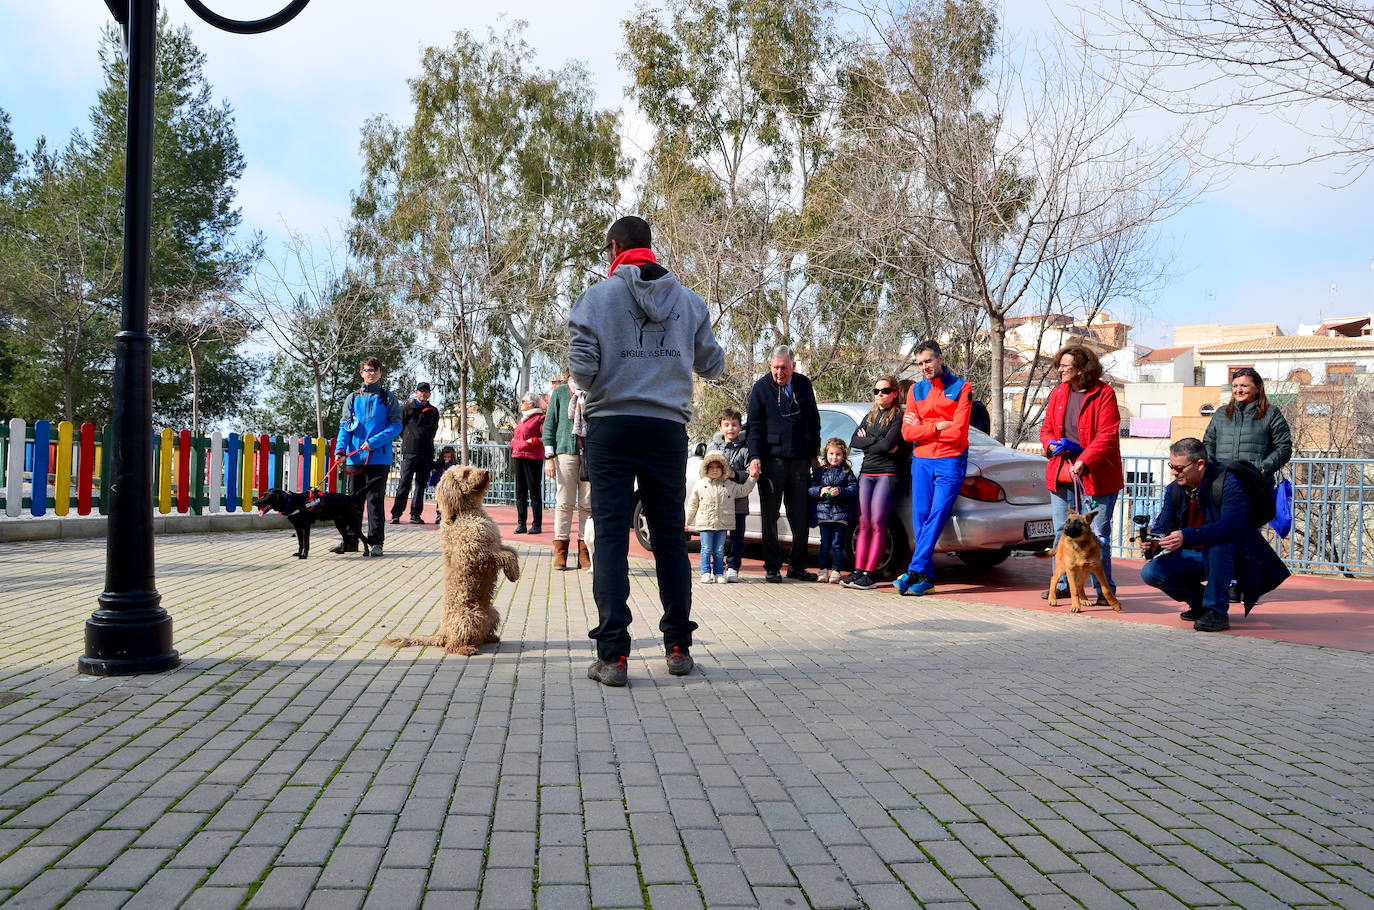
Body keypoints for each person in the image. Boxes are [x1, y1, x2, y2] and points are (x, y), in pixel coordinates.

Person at [570, 215, 725, 686]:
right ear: (650, 247)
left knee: (611, 537)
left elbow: (582, 371)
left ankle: (613, 657)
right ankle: (678, 647)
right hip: (665, 428)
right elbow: (713, 365)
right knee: (669, 538)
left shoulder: (595, 298)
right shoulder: (689, 301)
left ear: (615, 248)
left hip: (612, 427)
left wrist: (616, 369)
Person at [1140, 437, 1289, 631]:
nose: (1174, 472)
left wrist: (1187, 536)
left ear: (1200, 464)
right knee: (1151, 572)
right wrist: (1155, 541)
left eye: (1179, 468)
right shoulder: (1174, 489)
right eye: (1171, 466)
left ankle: (1216, 612)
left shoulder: (1228, 482)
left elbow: (1232, 526)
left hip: (1234, 557)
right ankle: (1200, 603)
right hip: (1195, 555)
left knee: (1218, 545)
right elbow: (1164, 524)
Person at [1038, 344, 1124, 604]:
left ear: (1082, 369)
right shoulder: (1058, 393)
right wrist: (1051, 445)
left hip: (1096, 477)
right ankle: (1063, 584)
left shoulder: (1104, 393)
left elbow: (1107, 434)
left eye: (1066, 366)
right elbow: (1046, 429)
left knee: (1098, 535)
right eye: (1060, 365)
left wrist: (1085, 458)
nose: (1060, 370)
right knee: (1061, 531)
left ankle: (1104, 591)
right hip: (1061, 472)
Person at [894, 340, 971, 596]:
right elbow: (907, 433)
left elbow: (958, 433)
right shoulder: (915, 390)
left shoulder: (962, 388)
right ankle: (925, 577)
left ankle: (914, 569)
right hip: (922, 460)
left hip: (951, 459)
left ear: (940, 358)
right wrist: (938, 426)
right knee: (920, 515)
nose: (924, 367)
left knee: (937, 514)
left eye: (928, 361)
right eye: (919, 363)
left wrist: (923, 428)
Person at [747, 345, 822, 583]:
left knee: (800, 516)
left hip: (799, 460)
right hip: (772, 460)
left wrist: (813, 453)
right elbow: (754, 426)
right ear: (770, 366)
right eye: (775, 368)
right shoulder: (761, 388)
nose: (779, 373)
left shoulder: (803, 384)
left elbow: (813, 420)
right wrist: (754, 456)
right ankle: (772, 567)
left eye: (784, 368)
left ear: (793, 366)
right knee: (770, 515)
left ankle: (797, 566)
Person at [843, 375, 910, 590]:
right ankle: (858, 571)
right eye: (876, 391)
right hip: (866, 473)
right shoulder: (870, 415)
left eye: (885, 391)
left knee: (878, 523)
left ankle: (870, 574)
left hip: (888, 474)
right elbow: (854, 441)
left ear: (895, 393)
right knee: (863, 523)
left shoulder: (899, 416)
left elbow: (888, 444)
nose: (879, 394)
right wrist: (877, 441)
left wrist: (870, 441)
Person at [332, 357, 403, 557]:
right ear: (361, 373)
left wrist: (374, 442)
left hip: (378, 458)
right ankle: (350, 541)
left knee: (375, 502)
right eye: (367, 370)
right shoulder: (352, 398)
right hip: (354, 459)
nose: (371, 373)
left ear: (380, 373)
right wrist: (340, 451)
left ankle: (376, 542)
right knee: (353, 503)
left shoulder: (388, 398)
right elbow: (345, 427)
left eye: (375, 370)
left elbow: (396, 426)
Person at [543, 373, 591, 570]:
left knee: (588, 505)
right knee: (564, 503)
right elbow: (549, 425)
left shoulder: (593, 391)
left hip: (590, 454)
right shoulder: (560, 393)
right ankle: (560, 551)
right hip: (565, 453)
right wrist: (549, 457)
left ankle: (584, 552)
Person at [685, 452, 756, 585]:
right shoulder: (700, 485)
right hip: (705, 523)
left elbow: (744, 490)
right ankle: (705, 572)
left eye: (718, 467)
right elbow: (692, 504)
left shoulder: (730, 485)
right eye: (711, 467)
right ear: (705, 469)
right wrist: (687, 521)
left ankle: (718, 573)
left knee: (719, 550)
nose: (714, 470)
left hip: (722, 524)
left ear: (724, 469)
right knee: (706, 548)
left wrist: (753, 478)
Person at [706, 408, 750, 582]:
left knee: (737, 538)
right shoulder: (712, 447)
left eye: (734, 425)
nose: (730, 428)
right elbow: (705, 471)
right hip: (718, 502)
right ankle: (716, 568)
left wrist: (734, 474)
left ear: (740, 427)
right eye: (726, 425)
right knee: (717, 538)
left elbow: (748, 474)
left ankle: (733, 567)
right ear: (720, 427)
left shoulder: (746, 449)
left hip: (738, 501)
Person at [808, 438, 859, 584]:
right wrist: (820, 490)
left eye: (838, 454)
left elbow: (854, 489)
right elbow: (810, 489)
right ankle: (823, 570)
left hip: (840, 515)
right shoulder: (820, 472)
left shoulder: (847, 472)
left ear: (843, 456)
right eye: (831, 454)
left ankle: (836, 570)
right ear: (826, 454)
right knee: (824, 544)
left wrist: (841, 491)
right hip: (823, 515)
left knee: (837, 544)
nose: (834, 457)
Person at [390, 381, 440, 525]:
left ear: (429, 394)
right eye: (421, 391)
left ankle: (415, 514)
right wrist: (409, 439)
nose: (423, 393)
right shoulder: (406, 408)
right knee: (404, 483)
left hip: (426, 452)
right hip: (410, 452)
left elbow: (434, 429)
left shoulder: (433, 411)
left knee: (421, 485)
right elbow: (400, 427)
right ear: (416, 392)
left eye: (426, 391)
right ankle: (396, 514)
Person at [510, 392, 546, 535]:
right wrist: (513, 442)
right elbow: (518, 436)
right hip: (519, 456)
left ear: (531, 404)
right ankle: (521, 524)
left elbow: (545, 437)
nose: (521, 403)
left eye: (523, 401)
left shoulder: (540, 418)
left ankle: (536, 525)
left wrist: (532, 441)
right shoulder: (523, 419)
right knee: (520, 492)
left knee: (534, 492)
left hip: (533, 458)